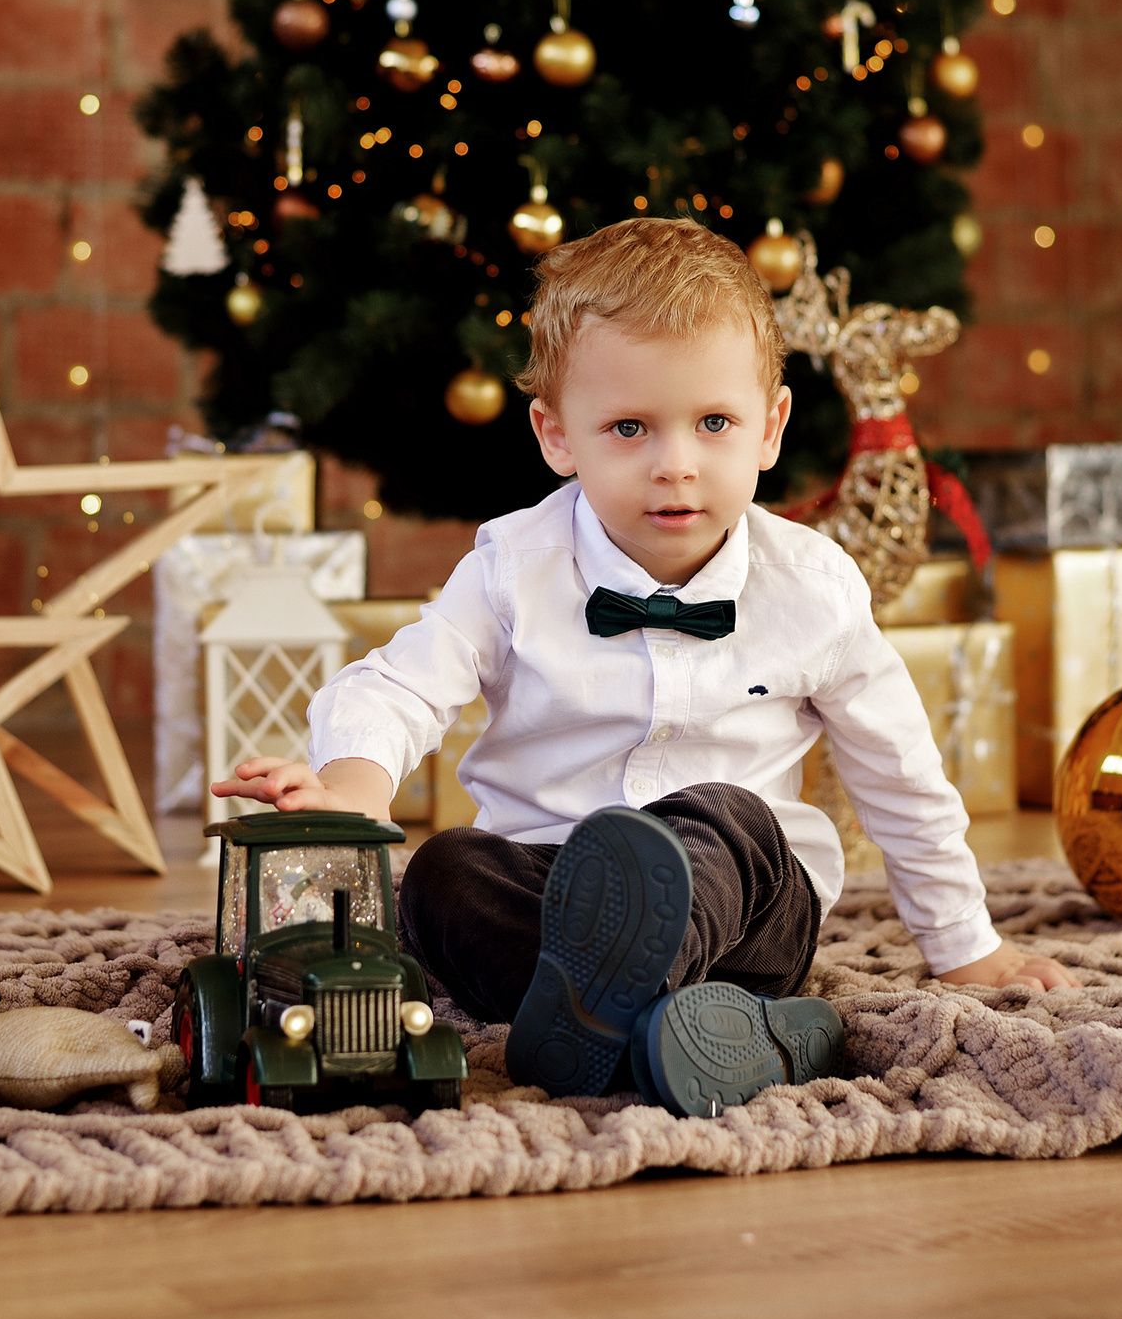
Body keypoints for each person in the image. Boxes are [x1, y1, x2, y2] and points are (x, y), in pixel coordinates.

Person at [211, 217, 1076, 1115]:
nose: (676, 465)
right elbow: (401, 682)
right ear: (557, 436)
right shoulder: (514, 568)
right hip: (550, 893)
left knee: (723, 813)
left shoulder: (812, 586)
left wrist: (964, 942)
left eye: (714, 423)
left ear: (771, 427)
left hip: (747, 902)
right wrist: (353, 786)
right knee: (445, 872)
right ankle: (669, 1035)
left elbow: (898, 768)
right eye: (629, 427)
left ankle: (622, 1007)